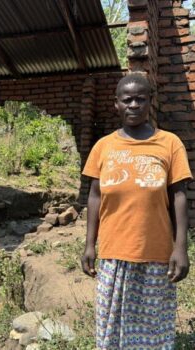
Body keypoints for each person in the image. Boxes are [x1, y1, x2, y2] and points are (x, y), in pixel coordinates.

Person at [81, 73, 193, 350]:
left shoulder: (169, 144)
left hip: (155, 251)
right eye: (127, 99)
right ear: (116, 104)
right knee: (111, 324)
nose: (133, 105)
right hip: (113, 250)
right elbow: (94, 196)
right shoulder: (103, 146)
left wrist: (181, 248)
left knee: (152, 325)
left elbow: (179, 196)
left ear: (150, 102)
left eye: (140, 99)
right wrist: (89, 245)